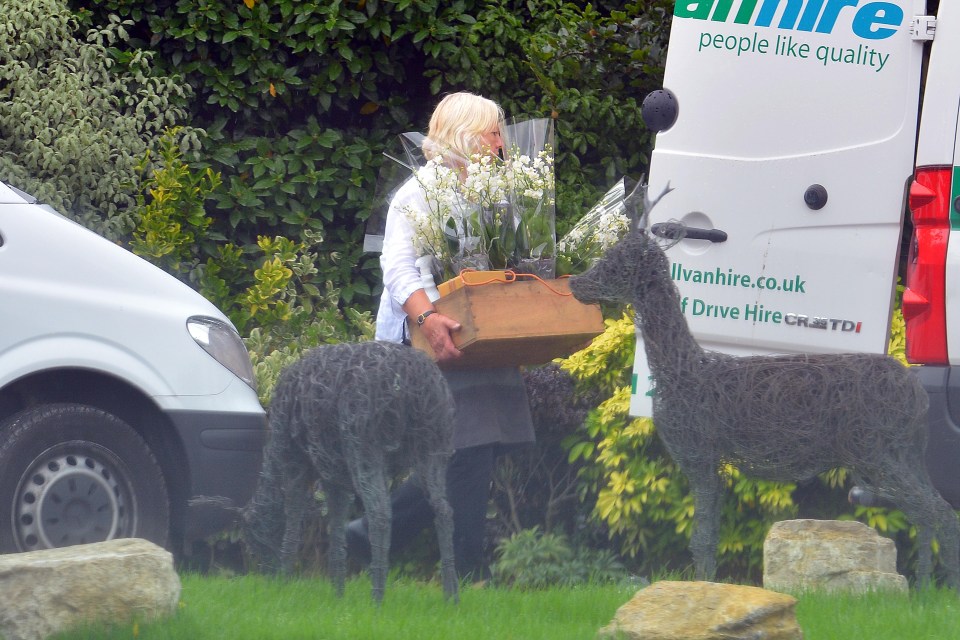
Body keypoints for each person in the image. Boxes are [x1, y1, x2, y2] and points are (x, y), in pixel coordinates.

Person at [349, 92, 536, 580]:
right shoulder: (418, 192)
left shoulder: (496, 191)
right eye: (493, 133)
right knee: (466, 447)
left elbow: (508, 262)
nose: (501, 143)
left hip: (482, 340)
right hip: (431, 342)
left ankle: (373, 537)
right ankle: (464, 570)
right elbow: (397, 267)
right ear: (465, 135)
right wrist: (430, 319)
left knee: (476, 448)